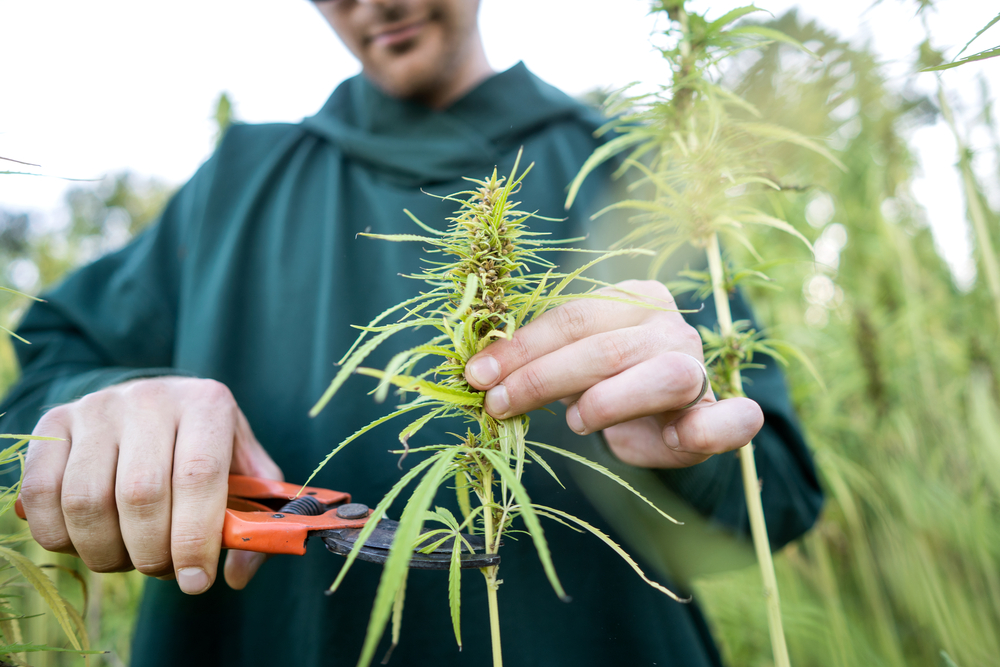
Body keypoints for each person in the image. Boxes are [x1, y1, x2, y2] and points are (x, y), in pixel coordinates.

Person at [0, 1, 823, 665]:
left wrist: (691, 438)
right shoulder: (236, 183)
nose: (375, 3)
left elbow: (777, 492)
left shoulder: (624, 167)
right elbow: (44, 366)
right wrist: (102, 406)